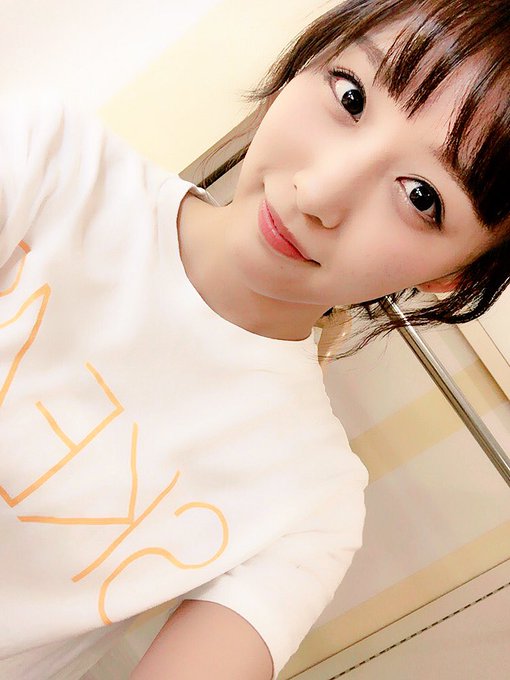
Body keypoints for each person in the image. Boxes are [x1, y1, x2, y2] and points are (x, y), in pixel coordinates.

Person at [1, 0, 508, 678]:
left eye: (421, 197)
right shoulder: (44, 161)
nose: (319, 192)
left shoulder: (311, 503)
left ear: (453, 276)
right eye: (350, 96)